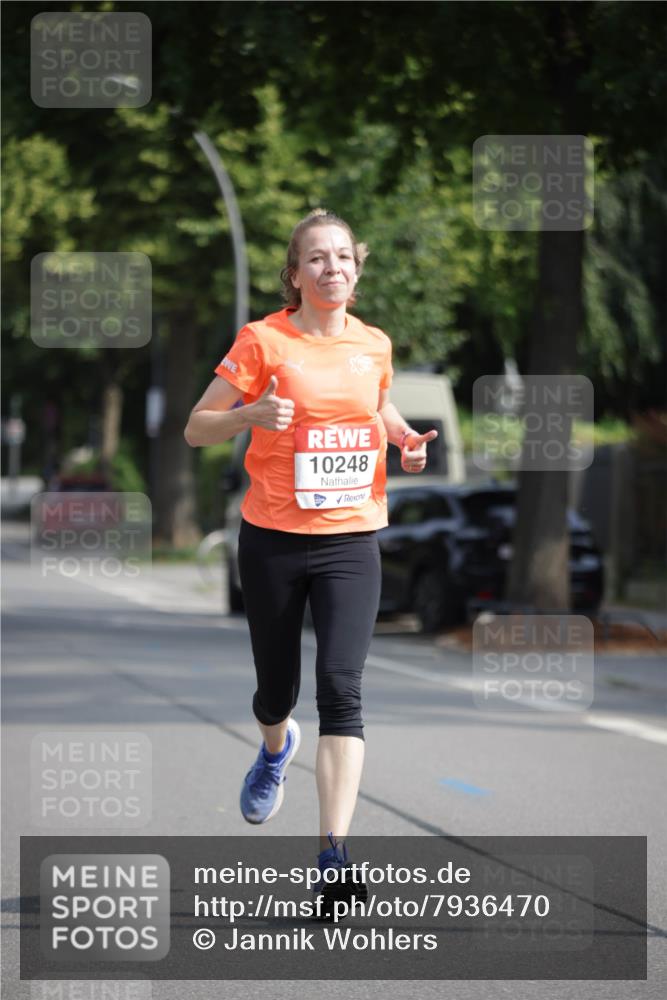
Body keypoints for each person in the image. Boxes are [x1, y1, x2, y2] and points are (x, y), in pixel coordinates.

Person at [184, 208, 437, 904]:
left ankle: (333, 854)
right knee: (277, 693)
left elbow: (375, 412)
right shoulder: (263, 340)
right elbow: (195, 427)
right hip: (272, 538)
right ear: (294, 275)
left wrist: (403, 441)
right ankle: (273, 749)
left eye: (343, 258)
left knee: (341, 691)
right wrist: (246, 416)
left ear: (357, 271)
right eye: (316, 259)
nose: (332, 268)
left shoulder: (374, 345)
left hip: (352, 539)